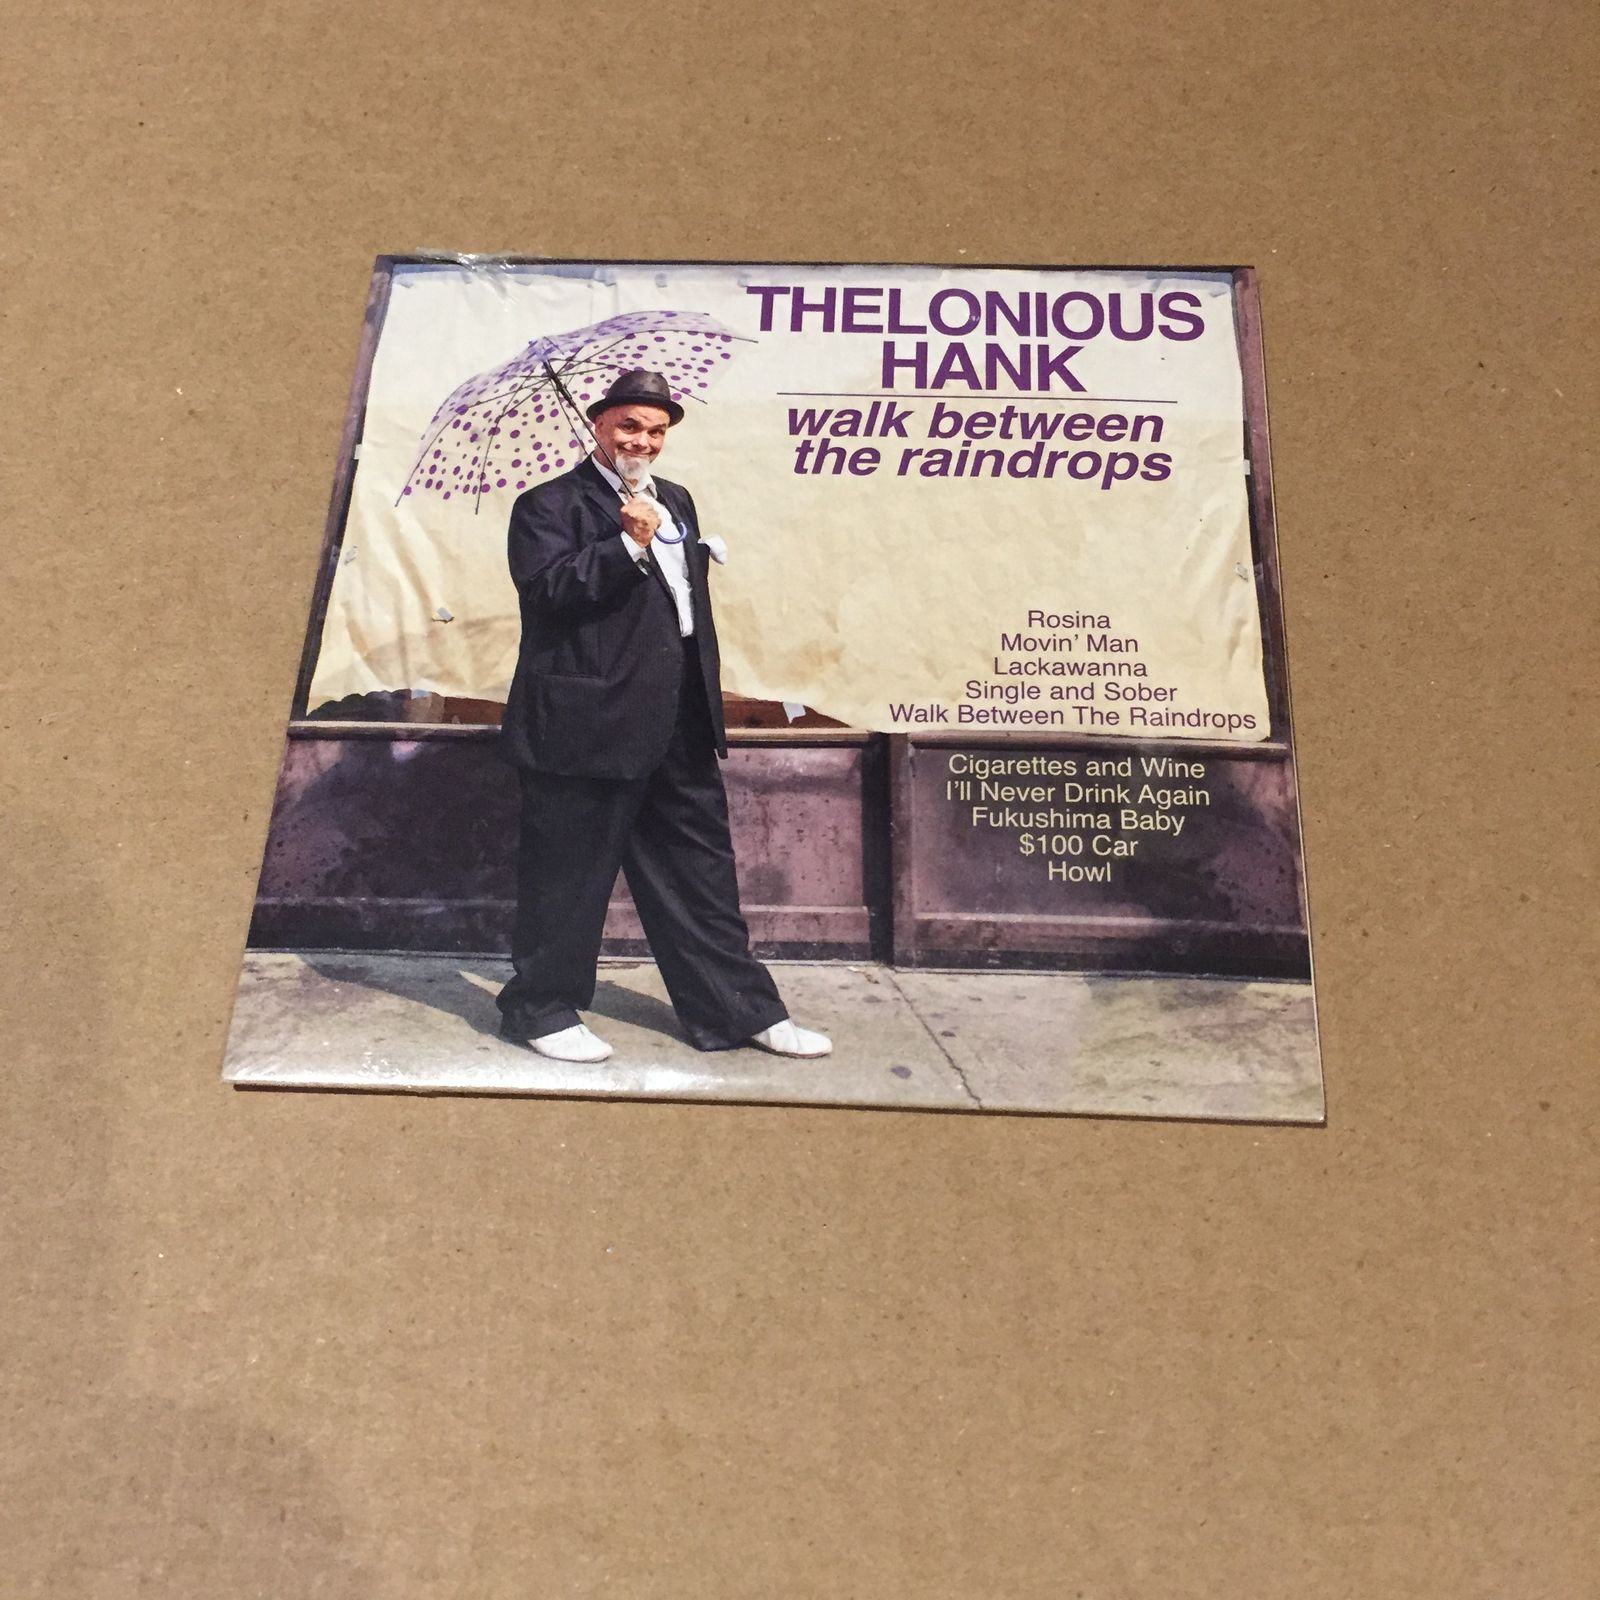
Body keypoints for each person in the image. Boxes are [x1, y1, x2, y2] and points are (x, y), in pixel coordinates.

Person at [495, 368, 832, 1065]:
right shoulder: (547, 505)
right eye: (629, 426)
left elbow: (677, 607)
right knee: (569, 876)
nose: (642, 441)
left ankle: (740, 1010)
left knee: (700, 873)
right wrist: (625, 546)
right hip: (587, 723)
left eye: (655, 431)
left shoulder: (674, 499)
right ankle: (540, 1009)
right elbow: (547, 592)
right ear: (599, 424)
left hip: (677, 716)